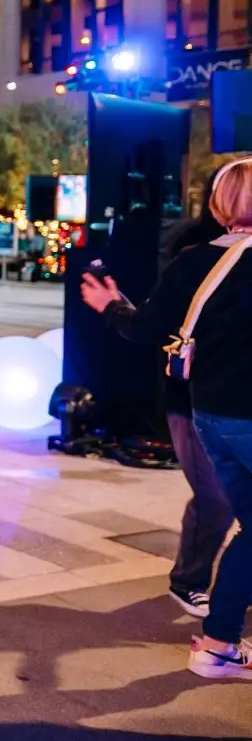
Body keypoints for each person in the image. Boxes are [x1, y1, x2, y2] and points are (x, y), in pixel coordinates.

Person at [81, 158, 252, 681]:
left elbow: (146, 329)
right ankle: (218, 644)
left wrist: (112, 306)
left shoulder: (196, 260)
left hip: (211, 416)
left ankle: (219, 645)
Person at [156, 168, 233, 619]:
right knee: (215, 495)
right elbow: (159, 324)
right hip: (194, 396)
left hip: (237, 397)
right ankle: (190, 579)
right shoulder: (194, 254)